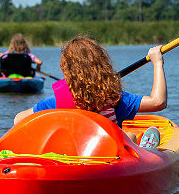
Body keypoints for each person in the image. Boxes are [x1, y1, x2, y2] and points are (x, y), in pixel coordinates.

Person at [13, 36, 166, 148]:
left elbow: (18, 120)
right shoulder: (112, 98)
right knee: (130, 137)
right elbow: (158, 102)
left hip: (72, 155)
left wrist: (48, 122)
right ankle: (146, 149)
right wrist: (157, 63)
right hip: (108, 153)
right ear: (102, 65)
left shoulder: (55, 102)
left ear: (66, 70)